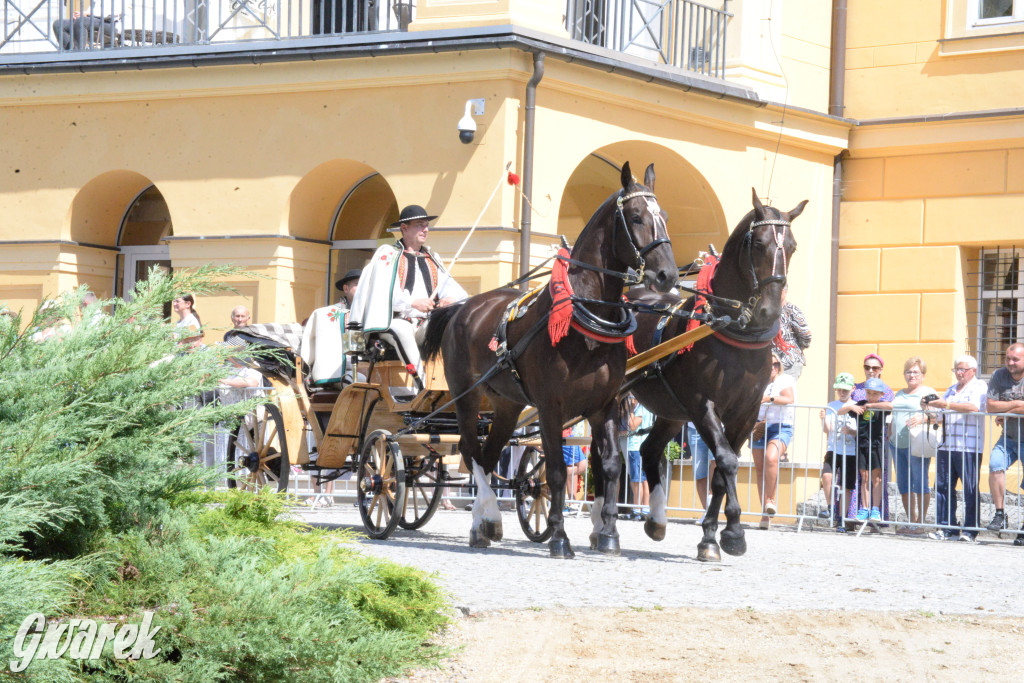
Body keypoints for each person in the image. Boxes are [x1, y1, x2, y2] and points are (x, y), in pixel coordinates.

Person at [348, 206, 468, 379]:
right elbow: (381, 292)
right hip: (394, 320)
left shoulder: (432, 257)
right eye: (419, 225)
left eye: (426, 225)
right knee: (402, 329)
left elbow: (454, 288)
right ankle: (422, 384)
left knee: (454, 323)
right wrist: (412, 303)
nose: (425, 229)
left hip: (426, 322)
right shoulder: (388, 255)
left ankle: (459, 380)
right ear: (404, 228)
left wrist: (451, 298)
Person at [928, 354, 986, 542]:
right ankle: (946, 528)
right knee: (943, 487)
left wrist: (945, 404)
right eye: (956, 370)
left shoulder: (980, 386)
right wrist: (929, 409)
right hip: (946, 445)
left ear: (973, 371)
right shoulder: (951, 389)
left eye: (963, 369)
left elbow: (973, 407)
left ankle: (970, 530)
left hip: (968, 446)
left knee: (970, 488)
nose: (959, 373)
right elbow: (941, 414)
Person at [888, 356, 937, 534]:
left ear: (923, 375)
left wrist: (923, 417)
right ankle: (911, 521)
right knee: (904, 484)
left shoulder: (928, 392)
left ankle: (921, 522)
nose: (912, 375)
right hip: (897, 444)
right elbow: (893, 415)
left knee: (920, 482)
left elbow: (938, 416)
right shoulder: (899, 393)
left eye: (915, 372)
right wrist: (889, 433)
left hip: (917, 445)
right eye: (908, 372)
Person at [984, 342, 1024, 545]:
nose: (1010, 363)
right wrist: (1017, 405)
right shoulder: (999, 376)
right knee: (995, 466)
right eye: (1008, 358)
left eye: (1015, 359)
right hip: (1008, 437)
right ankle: (1000, 514)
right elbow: (990, 406)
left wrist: (1006, 412)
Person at [751, 355, 796, 529]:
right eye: (770, 363)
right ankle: (765, 513)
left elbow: (788, 399)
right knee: (760, 469)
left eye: (776, 364)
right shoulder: (756, 380)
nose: (773, 367)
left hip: (781, 426)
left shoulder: (785, 380)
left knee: (771, 458)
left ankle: (771, 499)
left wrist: (767, 399)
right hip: (759, 426)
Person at [300, 269, 361, 389]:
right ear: (346, 289)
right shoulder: (325, 314)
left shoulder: (375, 315)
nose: (363, 288)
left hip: (372, 369)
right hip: (342, 371)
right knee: (360, 385)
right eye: (357, 284)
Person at [849, 377, 891, 524]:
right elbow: (842, 411)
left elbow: (892, 406)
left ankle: (875, 509)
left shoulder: (881, 406)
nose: (871, 396)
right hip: (862, 444)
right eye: (869, 393)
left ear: (881, 394)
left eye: (875, 393)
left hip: (877, 444)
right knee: (864, 477)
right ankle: (864, 508)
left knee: (877, 477)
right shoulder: (861, 405)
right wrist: (851, 407)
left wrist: (874, 404)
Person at [820, 372, 858, 527]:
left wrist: (851, 431)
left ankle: (842, 517)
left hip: (850, 450)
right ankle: (831, 507)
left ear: (853, 389)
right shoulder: (831, 405)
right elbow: (827, 429)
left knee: (846, 486)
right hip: (833, 448)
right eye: (840, 389)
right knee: (827, 476)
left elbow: (859, 432)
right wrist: (823, 418)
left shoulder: (856, 406)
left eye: (846, 390)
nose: (842, 392)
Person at [772, 285, 812, 379]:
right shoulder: (770, 310)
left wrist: (794, 348)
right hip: (773, 364)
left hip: (790, 362)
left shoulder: (791, 310)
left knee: (785, 390)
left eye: (779, 291)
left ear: (785, 292)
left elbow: (805, 335)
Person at [626, 398, 653, 520]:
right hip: (643, 445)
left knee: (636, 479)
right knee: (643, 479)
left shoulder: (640, 408)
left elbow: (632, 425)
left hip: (636, 445)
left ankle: (637, 509)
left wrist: (631, 409)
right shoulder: (648, 405)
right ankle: (645, 508)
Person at [688, 422, 715, 512]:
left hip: (716, 427)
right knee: (699, 473)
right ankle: (706, 511)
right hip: (694, 428)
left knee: (716, 463)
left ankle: (712, 506)